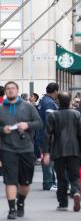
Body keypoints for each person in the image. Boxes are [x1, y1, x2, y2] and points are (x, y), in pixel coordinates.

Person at [0, 81, 42, 219]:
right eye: (8, 89)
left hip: (25, 149)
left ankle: (21, 203)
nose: (10, 90)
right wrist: (2, 129)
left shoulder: (28, 107)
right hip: (7, 149)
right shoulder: (1, 108)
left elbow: (39, 123)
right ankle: (12, 210)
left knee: (25, 182)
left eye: (13, 88)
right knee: (10, 181)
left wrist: (27, 124)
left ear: (17, 90)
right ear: (5, 92)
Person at [43, 92, 81, 212]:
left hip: (58, 151)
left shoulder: (53, 116)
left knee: (61, 177)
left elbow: (47, 135)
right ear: (69, 101)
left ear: (58, 101)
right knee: (74, 175)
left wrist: (46, 152)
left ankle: (63, 203)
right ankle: (76, 192)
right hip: (74, 150)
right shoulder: (76, 114)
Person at [37, 82, 59, 191]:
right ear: (55, 91)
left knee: (47, 159)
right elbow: (49, 121)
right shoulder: (49, 103)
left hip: (42, 134)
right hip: (47, 136)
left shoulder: (43, 100)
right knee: (48, 160)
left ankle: (51, 182)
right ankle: (48, 183)